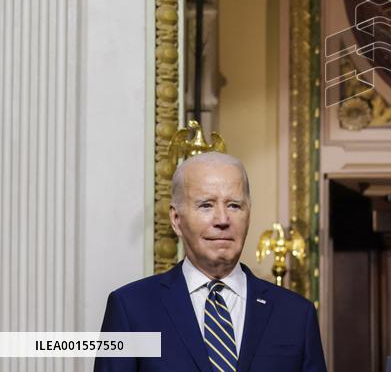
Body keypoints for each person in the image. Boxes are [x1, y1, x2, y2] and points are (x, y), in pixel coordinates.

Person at [96, 152, 326, 371]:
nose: (223, 220)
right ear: (176, 219)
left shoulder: (296, 315)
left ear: (249, 214)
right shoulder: (132, 309)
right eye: (206, 205)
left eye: (234, 205)